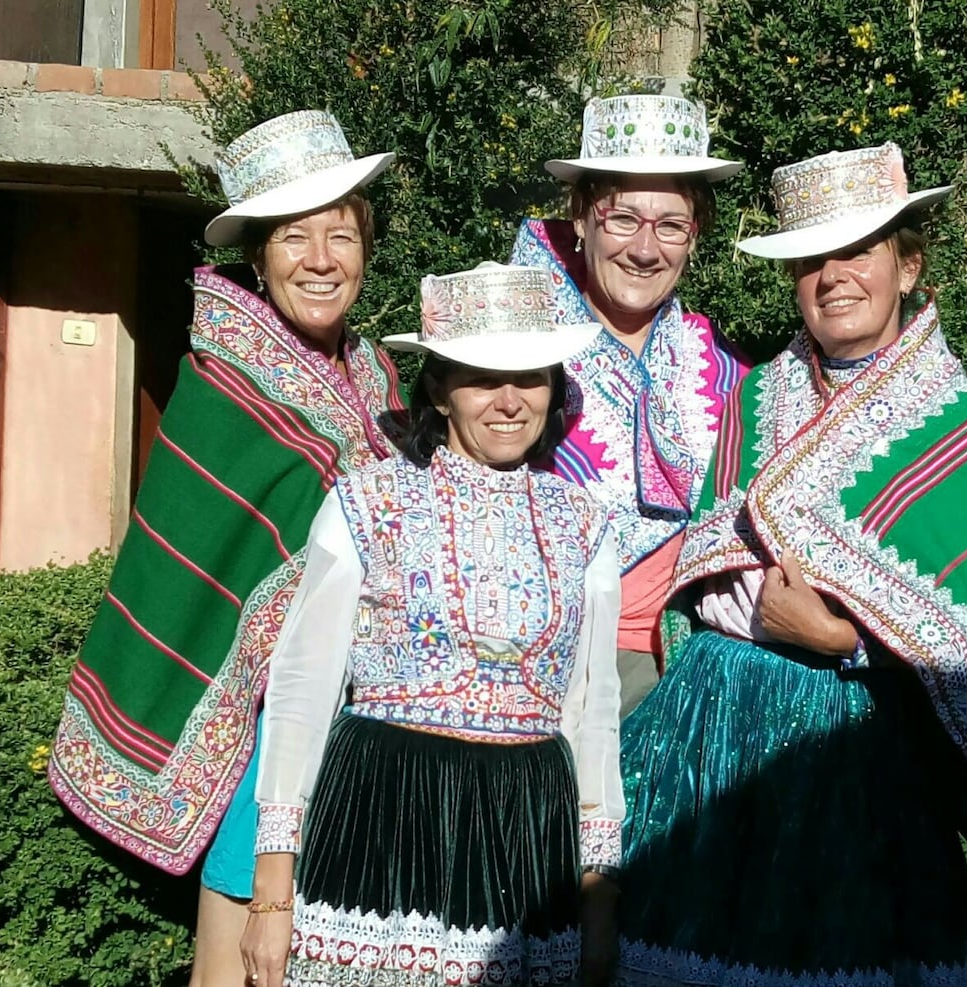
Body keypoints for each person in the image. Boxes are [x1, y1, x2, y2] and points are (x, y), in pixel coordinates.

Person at [615, 143, 967, 986]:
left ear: (908, 265)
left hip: (860, 764)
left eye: (859, 251)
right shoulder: (756, 397)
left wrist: (839, 639)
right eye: (812, 259)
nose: (833, 275)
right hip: (709, 758)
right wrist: (748, 610)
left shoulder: (954, 426)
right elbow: (703, 567)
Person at [48, 110, 405, 987]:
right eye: (295, 237)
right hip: (264, 736)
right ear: (257, 256)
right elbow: (194, 563)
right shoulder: (222, 384)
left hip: (371, 724)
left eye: (340, 234)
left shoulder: (380, 376)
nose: (322, 258)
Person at [238, 262, 623, 987]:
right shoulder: (366, 503)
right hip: (384, 813)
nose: (509, 401)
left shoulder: (586, 527)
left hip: (523, 830)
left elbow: (592, 711)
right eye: (482, 377)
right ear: (441, 389)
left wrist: (599, 892)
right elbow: (301, 689)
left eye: (530, 378)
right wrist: (271, 892)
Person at [510, 94, 749, 716]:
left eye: (670, 225)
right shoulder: (513, 349)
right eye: (623, 219)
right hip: (555, 667)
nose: (646, 250)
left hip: (706, 662)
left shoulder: (721, 371)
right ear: (581, 217)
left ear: (694, 237)